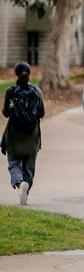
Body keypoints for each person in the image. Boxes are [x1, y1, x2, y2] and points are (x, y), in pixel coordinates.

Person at [1, 62, 45, 205]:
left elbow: (6, 113)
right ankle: (25, 188)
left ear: (15, 74)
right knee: (29, 168)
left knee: (13, 163)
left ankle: (20, 184)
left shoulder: (10, 91)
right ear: (30, 74)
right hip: (32, 136)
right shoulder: (37, 91)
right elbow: (42, 112)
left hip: (14, 134)